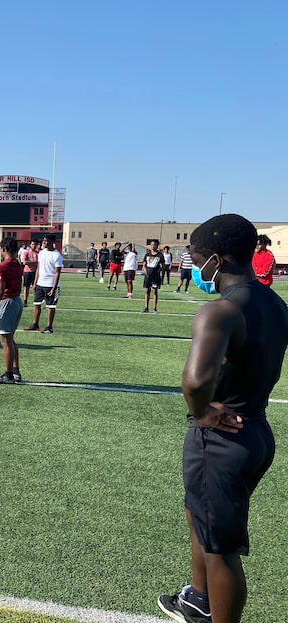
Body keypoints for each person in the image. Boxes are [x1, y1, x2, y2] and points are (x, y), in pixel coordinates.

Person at [157, 214, 288, 623]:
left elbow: (196, 381)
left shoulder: (219, 311)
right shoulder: (275, 302)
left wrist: (202, 412)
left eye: (197, 259)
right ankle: (198, 598)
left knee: (222, 550)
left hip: (223, 438)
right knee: (200, 516)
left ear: (216, 259)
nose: (195, 268)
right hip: (257, 431)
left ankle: (211, 610)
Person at [0, 237, 24, 384]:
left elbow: (0, 290)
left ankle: (8, 375)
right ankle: (15, 371)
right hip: (17, 301)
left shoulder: (2, 266)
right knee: (11, 339)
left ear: (3, 249)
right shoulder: (18, 264)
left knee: (6, 341)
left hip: (7, 303)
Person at [24, 234, 62, 334]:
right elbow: (39, 269)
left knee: (51, 306)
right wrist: (35, 283)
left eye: (46, 241)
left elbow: (57, 272)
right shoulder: (42, 253)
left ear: (52, 242)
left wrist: (54, 288)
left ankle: (49, 327)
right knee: (36, 304)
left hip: (51, 285)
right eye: (44, 241)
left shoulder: (57, 255)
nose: (44, 243)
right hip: (40, 283)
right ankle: (35, 324)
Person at [142, 239, 165, 313]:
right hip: (148, 275)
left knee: (155, 291)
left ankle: (154, 308)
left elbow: (163, 266)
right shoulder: (147, 254)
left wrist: (158, 271)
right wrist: (146, 272)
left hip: (155, 276)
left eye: (154, 245)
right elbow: (144, 265)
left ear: (157, 246)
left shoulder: (160, 255)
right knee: (147, 291)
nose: (152, 246)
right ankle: (146, 307)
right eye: (151, 245)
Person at [21, 240, 39, 307]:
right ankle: (25, 301)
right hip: (27, 272)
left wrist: (30, 262)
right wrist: (35, 262)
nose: (34, 246)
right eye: (33, 244)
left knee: (36, 287)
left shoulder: (38, 253)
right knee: (26, 287)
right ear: (30, 245)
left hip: (35, 272)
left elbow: (39, 262)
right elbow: (24, 262)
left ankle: (37, 301)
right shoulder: (26, 252)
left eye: (35, 244)